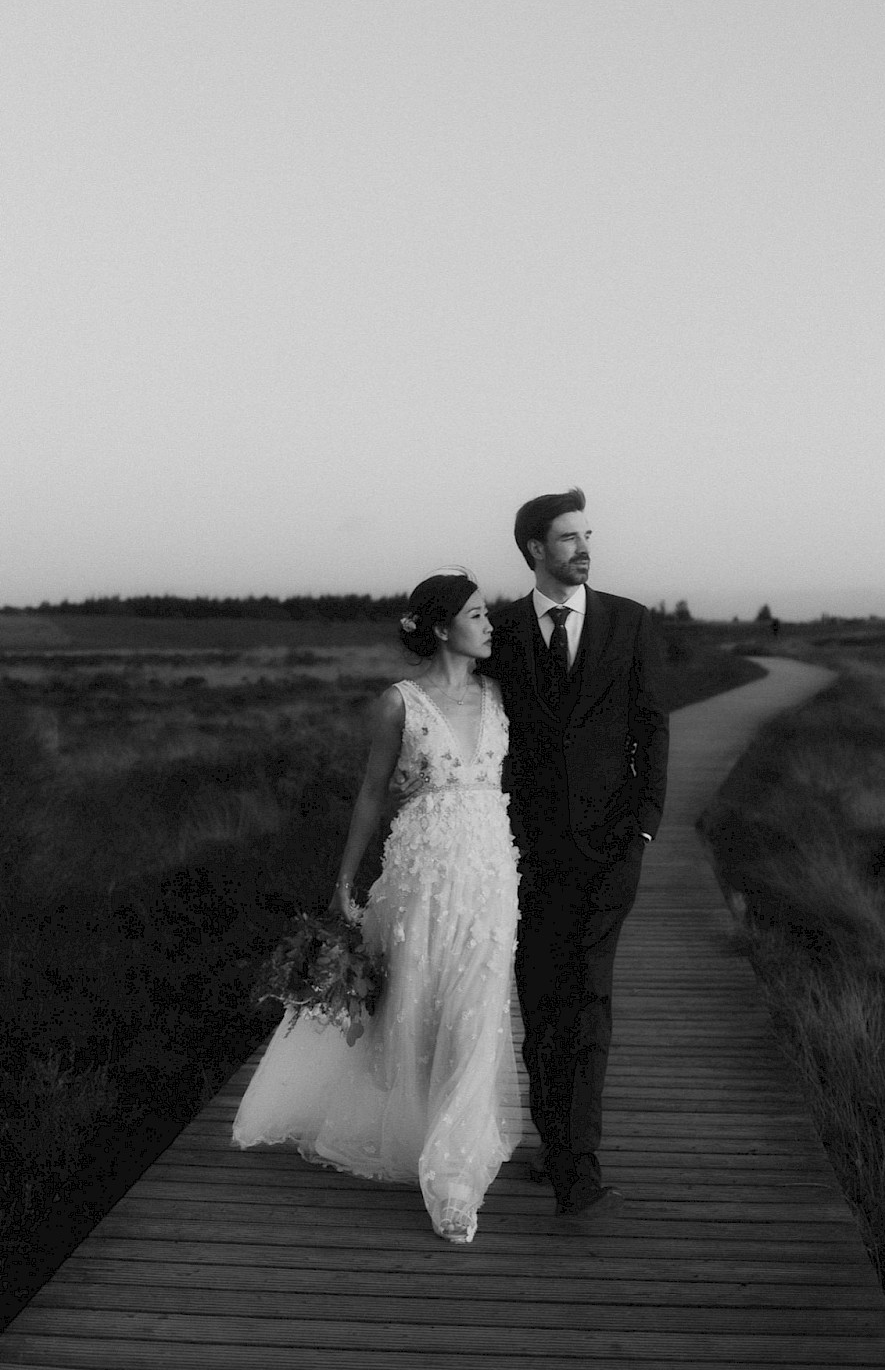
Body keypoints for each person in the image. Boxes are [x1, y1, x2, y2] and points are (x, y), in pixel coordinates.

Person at [232, 573, 522, 1245]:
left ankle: (455, 1175)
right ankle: (414, 1127)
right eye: (478, 614)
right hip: (420, 872)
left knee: (479, 1009)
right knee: (413, 1005)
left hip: (489, 874)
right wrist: (343, 878)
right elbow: (370, 793)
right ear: (444, 626)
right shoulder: (399, 703)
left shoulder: (503, 695)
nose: (490, 624)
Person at [484, 488, 669, 1224]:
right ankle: (557, 1143)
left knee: (588, 998)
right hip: (526, 853)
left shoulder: (630, 622)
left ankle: (578, 1166)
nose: (583, 547)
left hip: (610, 848)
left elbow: (653, 726)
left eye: (587, 534)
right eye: (567, 537)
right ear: (534, 549)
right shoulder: (498, 631)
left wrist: (646, 827)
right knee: (541, 1001)